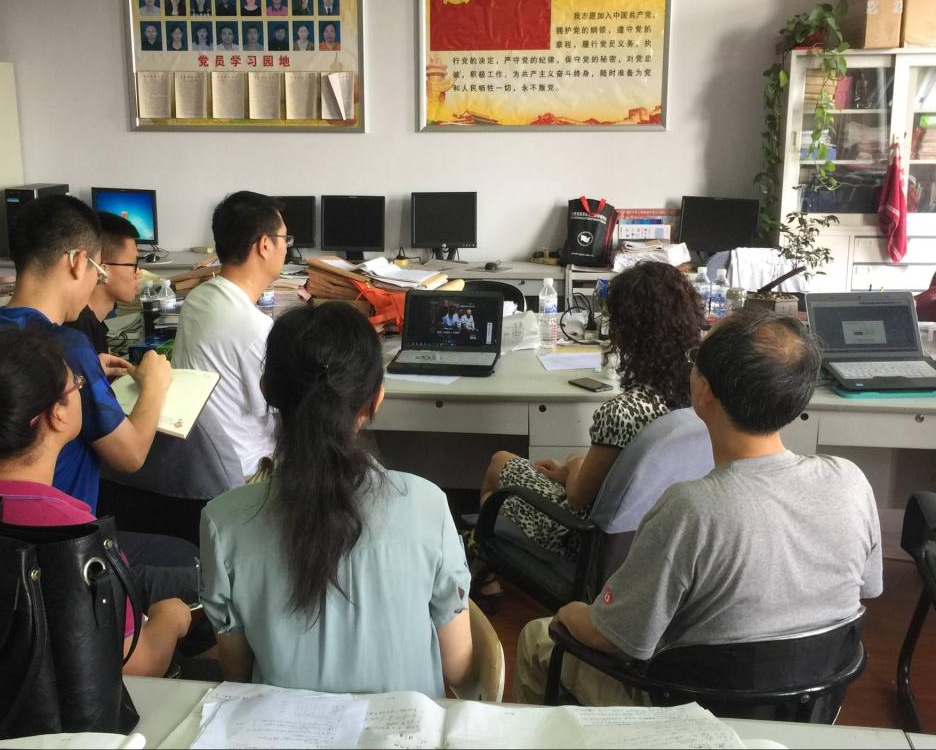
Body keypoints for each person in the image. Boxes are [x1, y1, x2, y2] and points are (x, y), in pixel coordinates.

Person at [514, 309, 883, 706]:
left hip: (693, 712)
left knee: (538, 636)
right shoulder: (851, 482)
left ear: (703, 390)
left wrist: (571, 613)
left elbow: (613, 638)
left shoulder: (692, 509)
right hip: (811, 706)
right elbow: (869, 589)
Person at [200, 303, 473, 695]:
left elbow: (238, 675)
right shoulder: (428, 505)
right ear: (376, 398)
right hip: (407, 727)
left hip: (280, 727)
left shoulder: (222, 523)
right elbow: (458, 670)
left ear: (267, 390)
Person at [0, 328, 193, 678]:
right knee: (196, 590)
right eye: (78, 384)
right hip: (52, 701)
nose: (82, 390)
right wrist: (171, 618)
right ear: (56, 414)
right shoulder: (74, 533)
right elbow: (138, 665)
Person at [474, 262, 702, 607]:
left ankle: (484, 579)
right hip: (651, 537)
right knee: (547, 467)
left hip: (584, 539)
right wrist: (570, 470)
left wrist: (573, 465)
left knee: (499, 463)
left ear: (625, 330)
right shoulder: (698, 396)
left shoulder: (624, 411)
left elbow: (578, 498)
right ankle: (486, 573)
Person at [0, 195, 171, 515]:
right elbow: (131, 456)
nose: (96, 281)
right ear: (77, 262)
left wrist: (87, 371)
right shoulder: (67, 347)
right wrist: (155, 384)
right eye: (97, 269)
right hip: (56, 530)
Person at [173, 192, 286, 481]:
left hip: (199, 469)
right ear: (264, 245)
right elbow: (282, 413)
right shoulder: (255, 328)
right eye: (285, 238)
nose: (287, 247)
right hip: (249, 474)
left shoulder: (197, 298)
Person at [65, 212, 141, 356]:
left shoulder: (91, 324)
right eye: (133, 265)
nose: (139, 273)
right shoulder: (79, 334)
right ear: (101, 270)